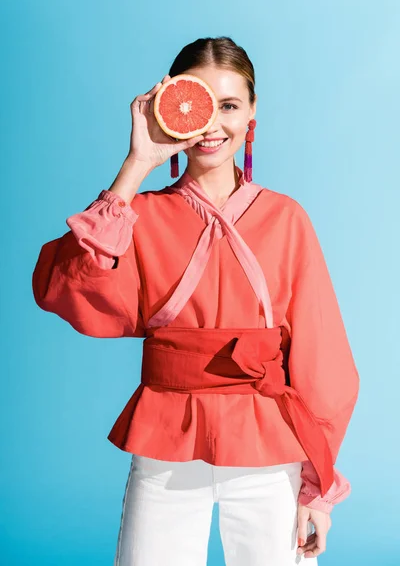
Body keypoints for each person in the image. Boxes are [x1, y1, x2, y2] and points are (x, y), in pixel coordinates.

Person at [32, 36, 360, 566]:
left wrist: (316, 489)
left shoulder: (288, 218)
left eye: (229, 105)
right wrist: (136, 164)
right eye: (199, 103)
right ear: (170, 108)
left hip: (267, 443)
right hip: (166, 440)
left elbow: (325, 363)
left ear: (252, 111)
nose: (213, 123)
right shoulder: (138, 215)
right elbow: (63, 290)